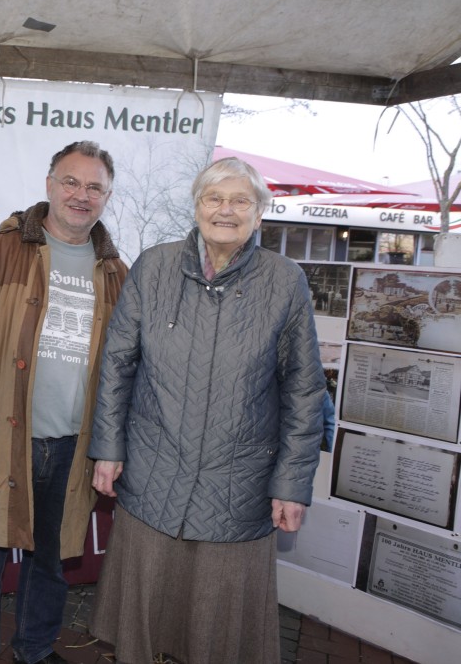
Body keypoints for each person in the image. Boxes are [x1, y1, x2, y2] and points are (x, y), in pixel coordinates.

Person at [88, 157, 327, 664]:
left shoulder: (285, 281)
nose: (226, 210)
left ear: (259, 213)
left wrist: (291, 483)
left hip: (238, 486)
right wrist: (108, 449)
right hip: (154, 474)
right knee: (143, 627)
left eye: (241, 200)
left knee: (217, 631)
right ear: (196, 207)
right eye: (214, 198)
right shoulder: (154, 267)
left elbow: (304, 392)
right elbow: (117, 365)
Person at [0, 140, 128, 664]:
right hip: (0, 440)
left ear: (107, 198)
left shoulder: (116, 273)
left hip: (72, 449)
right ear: (49, 185)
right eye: (71, 182)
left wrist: (113, 447)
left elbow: (124, 370)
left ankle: (35, 650)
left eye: (94, 187)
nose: (81, 195)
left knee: (51, 562)